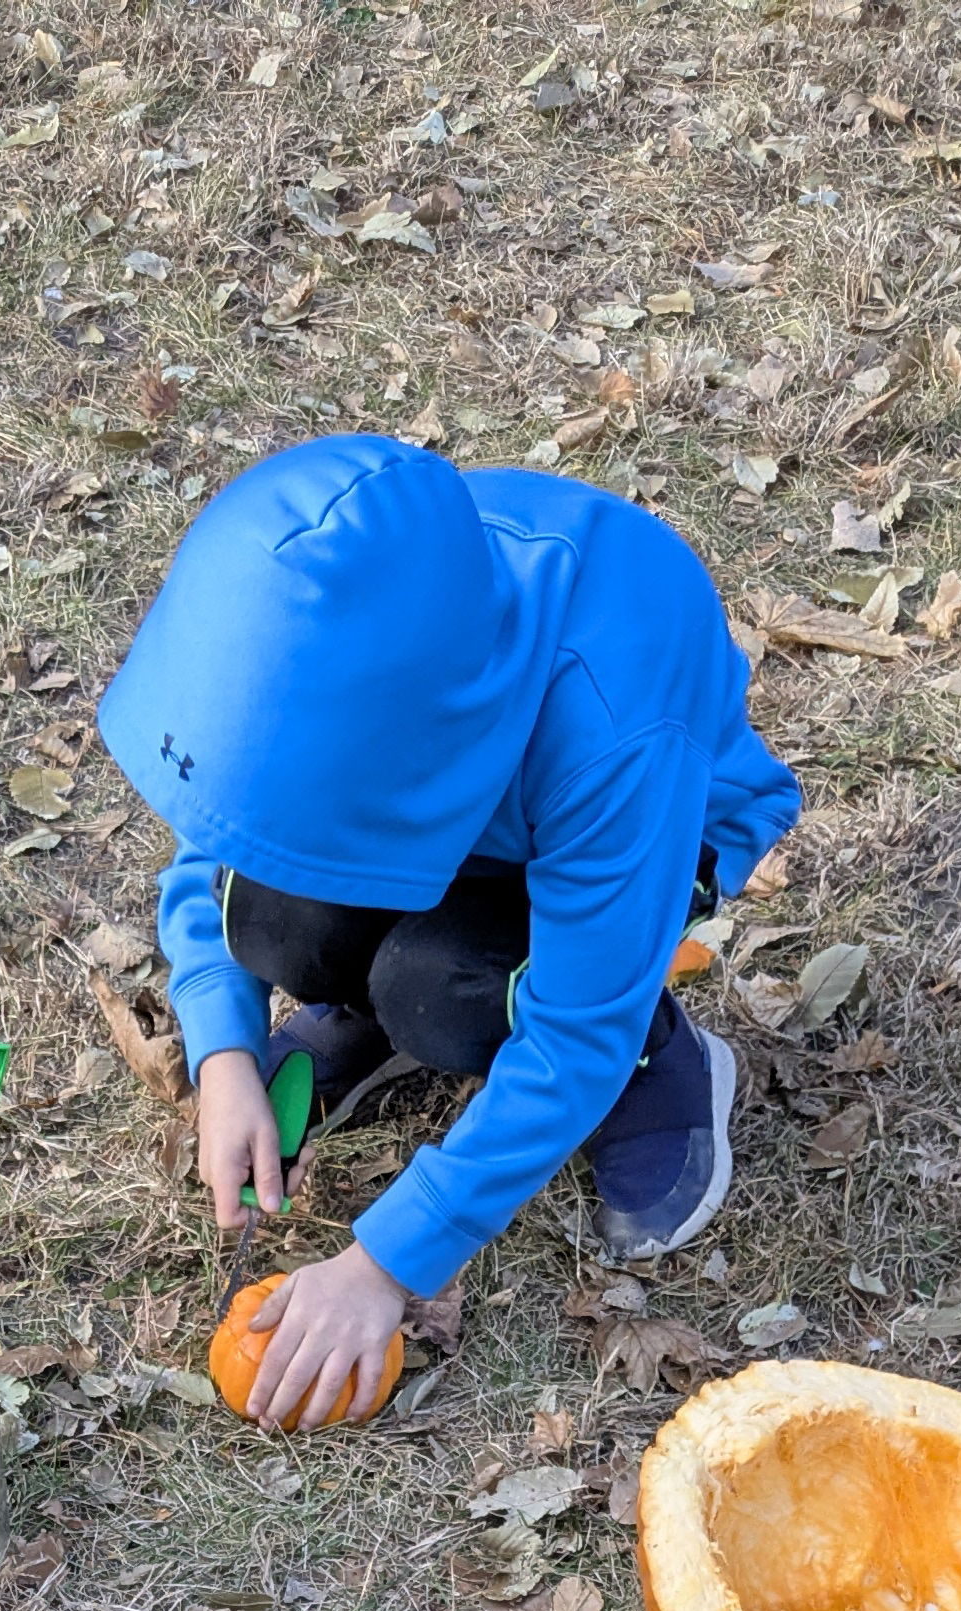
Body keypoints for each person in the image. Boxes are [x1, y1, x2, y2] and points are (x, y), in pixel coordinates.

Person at [98, 435, 799, 1429]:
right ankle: (371, 1001)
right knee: (271, 919)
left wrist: (387, 1267)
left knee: (438, 986)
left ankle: (662, 1062)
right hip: (433, 802)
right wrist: (222, 1052)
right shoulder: (332, 621)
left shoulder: (611, 722)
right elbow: (221, 838)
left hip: (636, 847)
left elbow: (571, 1033)